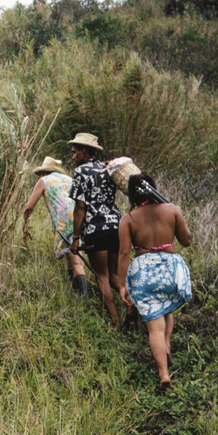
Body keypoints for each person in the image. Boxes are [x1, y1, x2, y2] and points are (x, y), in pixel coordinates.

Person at [116, 173, 193, 392]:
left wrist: (122, 285)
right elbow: (187, 241)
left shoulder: (128, 219)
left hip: (144, 272)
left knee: (155, 328)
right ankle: (166, 344)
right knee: (166, 308)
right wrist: (177, 216)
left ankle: (164, 374)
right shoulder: (172, 210)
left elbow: (124, 254)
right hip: (172, 271)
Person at [67, 133, 124, 328]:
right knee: (113, 275)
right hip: (116, 226)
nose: (73, 156)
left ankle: (115, 321)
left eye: (75, 152)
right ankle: (131, 307)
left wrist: (76, 238)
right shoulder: (108, 168)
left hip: (95, 228)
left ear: (84, 151)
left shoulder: (80, 172)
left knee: (102, 276)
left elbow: (80, 208)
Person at [22, 156, 88, 297]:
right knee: (69, 255)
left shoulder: (44, 181)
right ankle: (75, 294)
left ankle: (84, 301)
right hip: (80, 218)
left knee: (76, 261)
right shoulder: (69, 179)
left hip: (65, 221)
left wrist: (24, 225)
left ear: (44, 172)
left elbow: (29, 207)